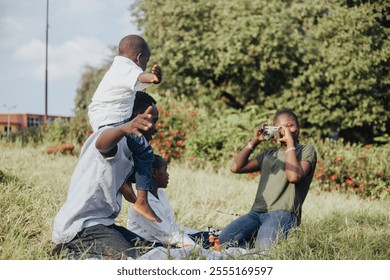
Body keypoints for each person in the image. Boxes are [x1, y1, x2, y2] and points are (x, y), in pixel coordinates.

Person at [52, 92, 159, 260]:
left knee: (151, 250)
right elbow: (102, 144)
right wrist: (124, 128)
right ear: (134, 117)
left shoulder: (132, 151)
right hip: (82, 227)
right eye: (152, 120)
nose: (155, 127)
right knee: (130, 259)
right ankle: (68, 253)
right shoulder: (115, 138)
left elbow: (126, 190)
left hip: (105, 225)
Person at [219, 109, 317, 254]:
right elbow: (236, 167)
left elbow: (293, 177)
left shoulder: (305, 150)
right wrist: (255, 140)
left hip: (283, 213)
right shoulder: (269, 154)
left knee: (264, 251)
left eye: (290, 126)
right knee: (223, 242)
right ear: (275, 131)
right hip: (257, 212)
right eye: (281, 128)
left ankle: (261, 242)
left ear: (299, 127)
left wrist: (290, 143)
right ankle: (254, 241)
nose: (287, 131)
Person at [88, 34, 163, 223]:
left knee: (127, 157)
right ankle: (141, 201)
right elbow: (139, 76)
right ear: (138, 58)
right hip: (110, 122)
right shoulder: (125, 68)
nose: (144, 65)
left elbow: (137, 83)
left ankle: (124, 183)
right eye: (145, 61)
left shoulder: (117, 69)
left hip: (106, 121)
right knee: (144, 150)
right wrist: (153, 78)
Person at [125, 155, 211, 249]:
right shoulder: (143, 204)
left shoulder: (161, 194)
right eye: (165, 170)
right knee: (202, 242)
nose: (168, 175)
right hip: (152, 246)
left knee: (208, 236)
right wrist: (198, 248)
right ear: (154, 173)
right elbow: (167, 236)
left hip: (168, 239)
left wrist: (199, 234)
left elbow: (173, 226)